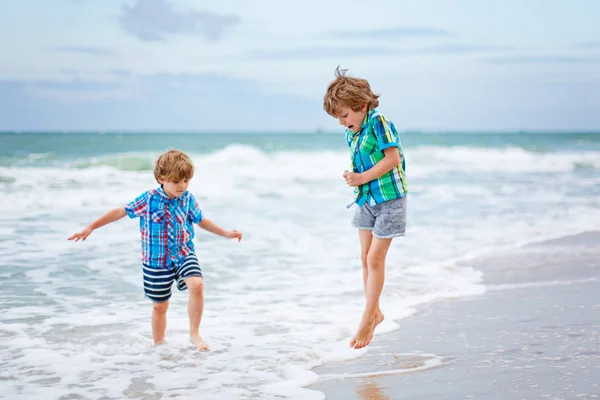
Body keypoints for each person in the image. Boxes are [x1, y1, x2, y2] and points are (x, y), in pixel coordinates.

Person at [68, 149, 242, 350]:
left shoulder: (188, 199)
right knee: (160, 306)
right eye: (177, 182)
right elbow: (120, 212)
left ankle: (194, 333)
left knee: (197, 285)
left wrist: (227, 233)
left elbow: (201, 221)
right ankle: (159, 346)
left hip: (184, 253)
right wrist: (91, 227)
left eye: (186, 181)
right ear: (161, 178)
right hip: (156, 261)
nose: (182, 186)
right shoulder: (148, 199)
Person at [323, 66, 408, 349]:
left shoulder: (378, 122)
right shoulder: (353, 133)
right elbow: (366, 164)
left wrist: (361, 177)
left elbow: (392, 159)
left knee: (375, 260)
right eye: (337, 118)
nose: (341, 122)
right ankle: (376, 311)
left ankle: (367, 317)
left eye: (344, 115)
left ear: (361, 106)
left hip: (390, 200)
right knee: (364, 258)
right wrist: (354, 178)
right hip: (366, 200)